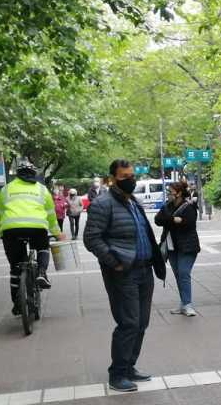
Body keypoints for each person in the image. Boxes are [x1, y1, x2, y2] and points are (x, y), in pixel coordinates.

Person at [84, 159, 166, 393]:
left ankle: (129, 367)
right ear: (112, 179)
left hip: (144, 270)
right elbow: (91, 238)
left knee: (141, 323)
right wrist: (114, 262)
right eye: (124, 177)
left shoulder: (134, 201)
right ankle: (117, 374)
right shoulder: (102, 204)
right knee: (128, 322)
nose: (130, 180)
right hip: (123, 272)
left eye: (132, 176)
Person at [0, 161, 63, 314]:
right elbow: (50, 214)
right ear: (34, 174)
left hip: (11, 230)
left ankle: (17, 303)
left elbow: (0, 214)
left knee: (15, 268)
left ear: (17, 174)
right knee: (42, 247)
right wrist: (57, 233)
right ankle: (41, 272)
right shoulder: (42, 189)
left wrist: (2, 233)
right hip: (37, 228)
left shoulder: (5, 189)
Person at [155, 182, 200, 317]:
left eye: (170, 191)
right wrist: (174, 219)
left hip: (187, 246)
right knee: (178, 275)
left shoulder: (189, 206)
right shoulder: (167, 206)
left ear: (179, 193)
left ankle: (187, 305)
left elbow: (188, 224)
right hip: (171, 247)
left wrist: (169, 220)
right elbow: (158, 220)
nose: (168, 194)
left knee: (183, 273)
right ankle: (183, 304)